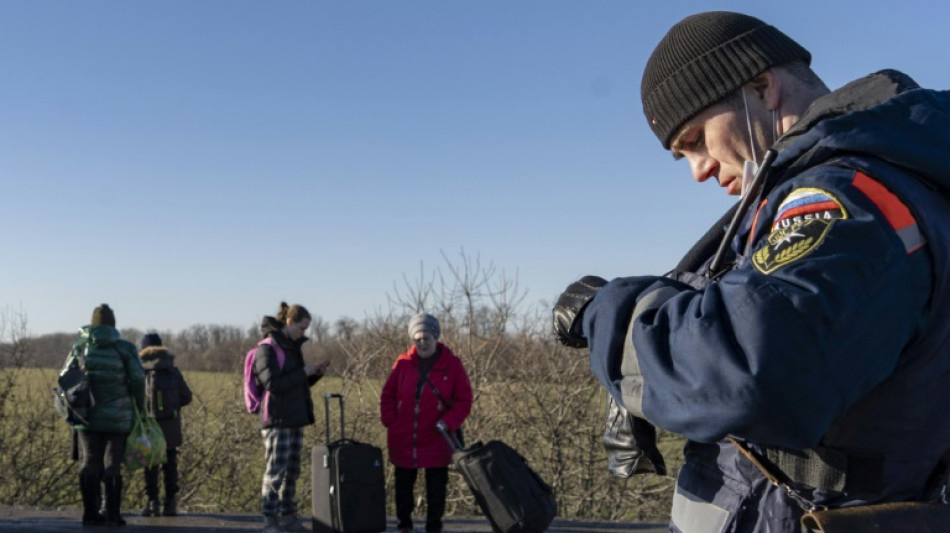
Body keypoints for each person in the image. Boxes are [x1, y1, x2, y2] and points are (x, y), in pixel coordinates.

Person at [553, 11, 950, 533]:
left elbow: (748, 366)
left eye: (696, 139)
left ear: (762, 88)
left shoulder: (846, 199)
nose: (698, 170)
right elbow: (759, 303)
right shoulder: (866, 181)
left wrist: (610, 316)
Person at [380, 313, 473, 533]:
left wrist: (448, 422)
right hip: (404, 436)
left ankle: (433, 526)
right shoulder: (402, 363)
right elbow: (388, 394)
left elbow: (464, 399)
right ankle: (404, 524)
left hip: (437, 436)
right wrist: (390, 420)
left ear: (436, 337)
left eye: (426, 338)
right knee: (403, 485)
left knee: (436, 487)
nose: (422, 343)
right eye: (417, 339)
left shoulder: (452, 364)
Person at [61, 304, 145, 526]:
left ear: (93, 324)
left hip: (85, 415)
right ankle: (112, 515)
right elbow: (138, 378)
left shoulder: (80, 347)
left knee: (89, 462)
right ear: (113, 325)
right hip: (118, 417)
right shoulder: (125, 348)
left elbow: (65, 377)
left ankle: (90, 513)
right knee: (112, 463)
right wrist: (138, 403)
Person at [253, 302, 328, 533]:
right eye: (302, 328)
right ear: (289, 322)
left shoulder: (293, 347)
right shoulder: (268, 348)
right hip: (277, 419)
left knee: (292, 472)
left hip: (295, 417)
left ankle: (288, 517)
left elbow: (295, 383)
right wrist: (302, 372)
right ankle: (269, 519)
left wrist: (313, 374)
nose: (303, 333)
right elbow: (273, 384)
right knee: (275, 472)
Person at [138, 332, 193, 518]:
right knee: (170, 465)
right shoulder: (172, 370)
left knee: (150, 465)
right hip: (171, 427)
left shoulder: (140, 371)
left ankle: (152, 503)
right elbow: (187, 397)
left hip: (148, 426)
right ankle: (170, 503)